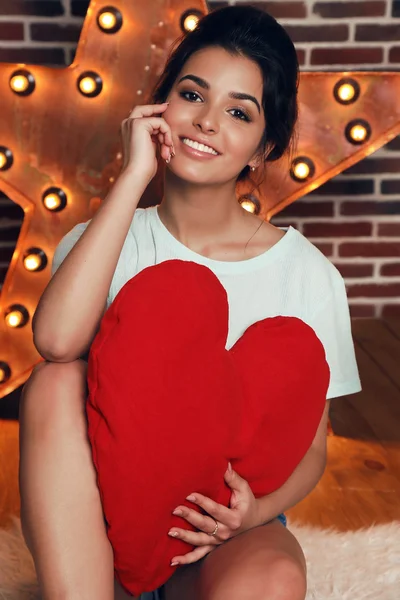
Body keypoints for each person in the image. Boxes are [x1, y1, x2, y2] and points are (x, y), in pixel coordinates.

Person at [19, 5, 362, 600]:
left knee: (276, 577)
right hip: (102, 519)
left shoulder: (308, 274)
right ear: (159, 108)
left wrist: (254, 513)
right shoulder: (103, 238)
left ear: (262, 148)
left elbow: (312, 447)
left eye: (237, 112)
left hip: (217, 530)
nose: (206, 122)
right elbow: (53, 343)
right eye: (191, 94)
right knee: (52, 382)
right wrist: (132, 178)